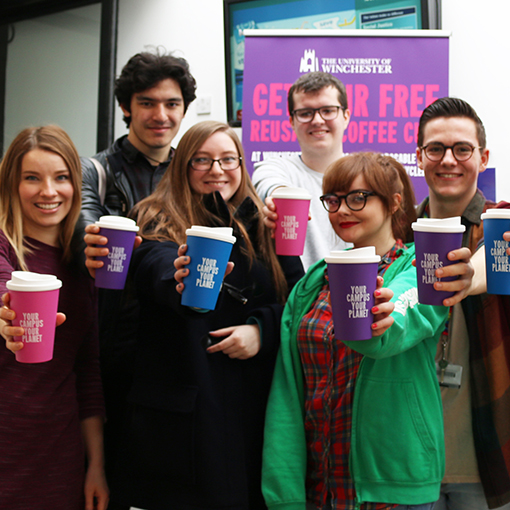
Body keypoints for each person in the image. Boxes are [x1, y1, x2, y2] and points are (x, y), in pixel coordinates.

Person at [104, 120, 303, 510]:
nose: (217, 170)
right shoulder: (153, 219)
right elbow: (156, 269)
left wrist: (261, 330)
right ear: (182, 165)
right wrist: (181, 277)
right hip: (182, 418)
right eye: (203, 160)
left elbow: (299, 303)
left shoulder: (265, 226)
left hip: (252, 412)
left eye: (228, 159)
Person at [262, 152, 476, 510]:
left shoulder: (423, 270)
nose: (342, 210)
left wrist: (380, 315)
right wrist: (284, 491)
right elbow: (287, 391)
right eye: (333, 199)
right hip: (320, 485)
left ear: (393, 203)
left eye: (357, 197)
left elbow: (388, 336)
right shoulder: (313, 282)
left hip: (391, 485)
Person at [80, 49, 197, 507]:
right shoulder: (97, 170)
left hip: (177, 351)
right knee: (106, 480)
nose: (160, 115)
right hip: (112, 352)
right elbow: (81, 230)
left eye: (171, 104)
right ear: (126, 106)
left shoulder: (195, 173)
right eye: (147, 102)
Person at [0, 126, 108, 510]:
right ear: (12, 183)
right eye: (32, 178)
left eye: (61, 177)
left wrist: (95, 464)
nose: (49, 191)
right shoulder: (4, 246)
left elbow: (87, 370)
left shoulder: (83, 262)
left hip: (58, 453)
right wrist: (7, 316)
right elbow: (4, 290)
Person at [416, 97, 510, 510]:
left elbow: (489, 262)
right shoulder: (397, 235)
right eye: (435, 149)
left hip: (485, 460)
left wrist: (470, 276)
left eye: (462, 149)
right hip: (410, 463)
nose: (448, 160)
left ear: (483, 157)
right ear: (419, 157)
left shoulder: (502, 227)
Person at [252, 71, 351, 269]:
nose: (317, 120)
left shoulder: (369, 175)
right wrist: (278, 203)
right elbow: (270, 185)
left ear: (346, 116)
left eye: (328, 110)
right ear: (292, 121)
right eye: (305, 113)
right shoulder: (275, 168)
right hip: (297, 295)